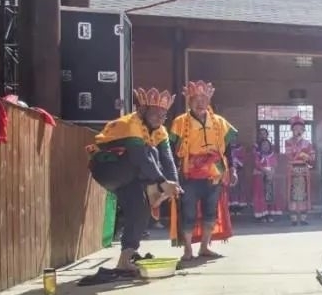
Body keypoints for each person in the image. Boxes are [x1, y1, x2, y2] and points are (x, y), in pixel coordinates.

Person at [87, 88, 182, 271]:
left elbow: (168, 159)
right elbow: (140, 157)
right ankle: (153, 189)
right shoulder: (132, 123)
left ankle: (125, 259)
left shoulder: (160, 130)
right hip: (109, 168)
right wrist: (162, 183)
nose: (159, 118)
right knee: (149, 151)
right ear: (143, 111)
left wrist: (174, 185)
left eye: (163, 115)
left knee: (140, 210)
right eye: (154, 113)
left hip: (132, 176)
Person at [169, 81, 237, 260]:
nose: (200, 102)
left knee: (210, 211)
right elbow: (170, 148)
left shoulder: (220, 122)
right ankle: (188, 250)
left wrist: (232, 169)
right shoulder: (180, 122)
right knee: (188, 211)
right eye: (196, 99)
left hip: (215, 173)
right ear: (189, 102)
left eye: (203, 99)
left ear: (209, 101)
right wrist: (171, 176)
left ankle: (204, 247)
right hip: (190, 173)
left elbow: (228, 148)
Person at [284, 116, 317, 225]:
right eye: (295, 128)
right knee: (293, 193)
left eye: (300, 129)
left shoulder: (307, 143)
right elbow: (288, 155)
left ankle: (303, 218)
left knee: (304, 193)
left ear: (303, 130)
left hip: (303, 170)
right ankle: (293, 218)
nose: (298, 131)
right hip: (293, 170)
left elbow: (312, 157)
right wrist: (299, 152)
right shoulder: (288, 142)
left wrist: (306, 156)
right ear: (292, 130)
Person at [252, 138, 284, 222]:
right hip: (260, 177)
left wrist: (271, 173)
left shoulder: (272, 155)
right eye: (263, 145)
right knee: (261, 196)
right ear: (260, 146)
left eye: (267, 145)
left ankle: (269, 214)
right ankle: (262, 215)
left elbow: (274, 164)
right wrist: (266, 171)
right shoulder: (258, 155)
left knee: (269, 195)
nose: (265, 147)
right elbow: (257, 164)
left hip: (270, 177)